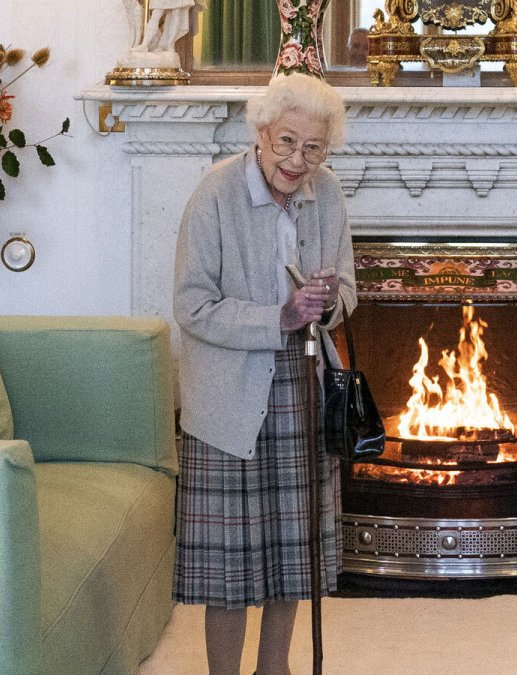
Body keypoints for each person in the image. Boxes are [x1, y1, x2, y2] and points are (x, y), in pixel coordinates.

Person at [172, 72, 353, 675]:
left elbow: (347, 292)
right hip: (227, 399)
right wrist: (278, 316)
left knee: (289, 556)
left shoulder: (326, 194)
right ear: (261, 132)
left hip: (302, 387)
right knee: (228, 568)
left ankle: (273, 670)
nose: (298, 161)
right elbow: (193, 306)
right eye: (286, 143)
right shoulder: (216, 193)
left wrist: (327, 304)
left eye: (313, 148)